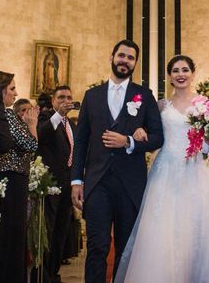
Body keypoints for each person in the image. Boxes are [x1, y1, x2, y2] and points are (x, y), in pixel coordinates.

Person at [114, 55, 209, 283]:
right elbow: (151, 132)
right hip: (165, 170)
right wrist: (139, 131)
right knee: (164, 229)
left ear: (193, 73)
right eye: (175, 71)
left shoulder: (206, 106)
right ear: (169, 77)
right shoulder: (160, 105)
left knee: (203, 228)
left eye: (185, 69)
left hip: (197, 169)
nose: (180, 74)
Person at [70, 40, 164, 283]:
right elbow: (81, 142)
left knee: (126, 250)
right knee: (97, 247)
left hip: (130, 184)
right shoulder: (92, 96)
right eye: (121, 55)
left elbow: (158, 137)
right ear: (112, 57)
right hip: (97, 182)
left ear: (135, 63)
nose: (125, 61)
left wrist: (129, 142)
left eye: (131, 58)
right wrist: (77, 181)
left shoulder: (144, 96)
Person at [0, 71, 39, 283]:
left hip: (5, 178)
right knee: (13, 233)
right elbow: (31, 144)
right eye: (12, 89)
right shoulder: (6, 115)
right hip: (13, 179)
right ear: (1, 90)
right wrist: (32, 125)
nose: (16, 93)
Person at [37, 85, 78, 283]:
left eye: (68, 97)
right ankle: (43, 274)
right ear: (53, 100)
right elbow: (40, 135)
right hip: (50, 184)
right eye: (61, 97)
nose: (65, 100)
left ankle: (53, 273)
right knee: (49, 231)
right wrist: (57, 115)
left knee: (62, 231)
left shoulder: (71, 124)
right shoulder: (46, 118)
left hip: (68, 185)